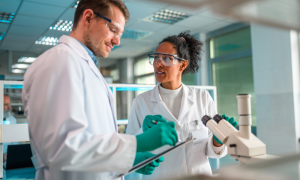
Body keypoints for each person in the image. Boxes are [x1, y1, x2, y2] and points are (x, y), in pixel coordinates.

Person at [22, 0, 178, 180]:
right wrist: (137, 143)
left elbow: (94, 139)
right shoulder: (60, 61)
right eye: (113, 30)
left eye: (120, 34)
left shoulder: (85, 67)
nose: (117, 41)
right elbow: (61, 148)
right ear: (88, 17)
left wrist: (130, 160)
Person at [126, 31, 238, 180]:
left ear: (183, 64)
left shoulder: (202, 97)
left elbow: (211, 151)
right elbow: (129, 149)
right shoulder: (141, 101)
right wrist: (142, 132)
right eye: (155, 58)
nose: (158, 64)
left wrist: (218, 140)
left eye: (166, 58)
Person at [3, 94, 17, 163]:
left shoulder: (13, 120)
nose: (9, 107)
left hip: (7, 160)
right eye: (6, 104)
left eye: (9, 104)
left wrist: (8, 155)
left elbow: (15, 144)